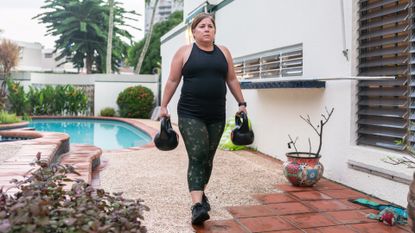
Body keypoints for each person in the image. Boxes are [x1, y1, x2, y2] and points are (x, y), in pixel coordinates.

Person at [158, 12, 247, 225]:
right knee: (197, 154)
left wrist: (242, 104)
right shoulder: (184, 52)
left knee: (208, 158)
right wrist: (163, 106)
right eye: (202, 26)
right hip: (190, 113)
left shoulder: (223, 53)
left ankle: (201, 194)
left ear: (215, 31)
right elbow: (172, 80)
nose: (207, 29)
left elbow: (232, 79)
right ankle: (197, 206)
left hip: (216, 114)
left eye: (210, 26)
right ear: (194, 31)